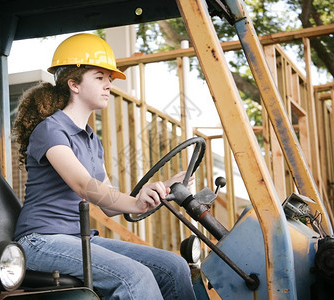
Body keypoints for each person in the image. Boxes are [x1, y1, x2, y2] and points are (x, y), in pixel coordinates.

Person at [12, 33, 197, 300]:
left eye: (109, 79)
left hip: (80, 238)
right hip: (41, 241)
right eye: (99, 78)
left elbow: (109, 205)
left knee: (174, 267)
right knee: (136, 276)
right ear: (74, 84)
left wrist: (164, 188)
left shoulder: (90, 138)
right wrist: (135, 203)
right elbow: (84, 186)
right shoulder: (50, 130)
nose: (108, 85)